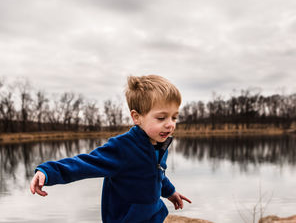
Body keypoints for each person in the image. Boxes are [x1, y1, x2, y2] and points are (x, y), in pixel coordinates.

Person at [30, 75, 191, 222]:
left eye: (174, 117)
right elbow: (83, 165)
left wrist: (170, 192)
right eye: (161, 118)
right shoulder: (122, 148)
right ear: (137, 117)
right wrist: (48, 171)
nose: (170, 124)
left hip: (154, 217)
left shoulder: (159, 144)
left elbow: (157, 174)